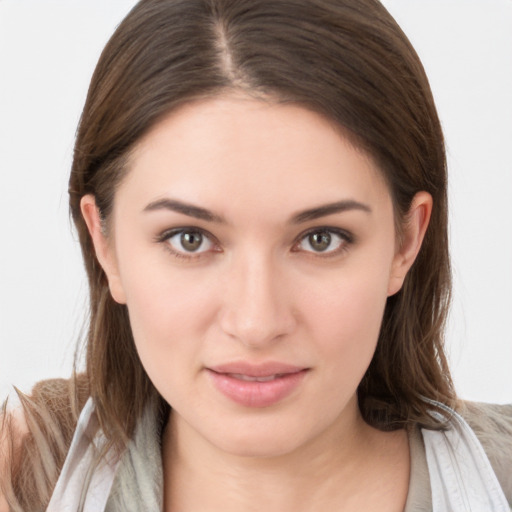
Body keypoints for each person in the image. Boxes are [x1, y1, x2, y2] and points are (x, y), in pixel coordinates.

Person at [1, 0, 511, 510]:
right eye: (190, 239)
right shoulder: (16, 479)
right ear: (104, 244)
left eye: (321, 239)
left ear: (406, 242)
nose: (256, 323)